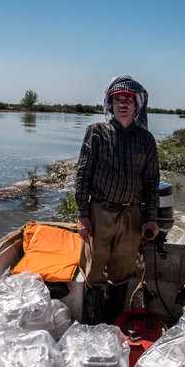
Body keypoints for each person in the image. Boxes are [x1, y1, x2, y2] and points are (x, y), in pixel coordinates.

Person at [75, 75, 160, 325]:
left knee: (122, 273)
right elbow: (83, 175)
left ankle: (112, 328)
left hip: (131, 215)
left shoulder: (146, 140)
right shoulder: (96, 133)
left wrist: (151, 219)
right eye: (117, 99)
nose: (123, 103)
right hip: (99, 212)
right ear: (110, 104)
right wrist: (82, 215)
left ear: (137, 105)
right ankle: (92, 329)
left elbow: (152, 182)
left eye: (128, 99)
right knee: (94, 273)